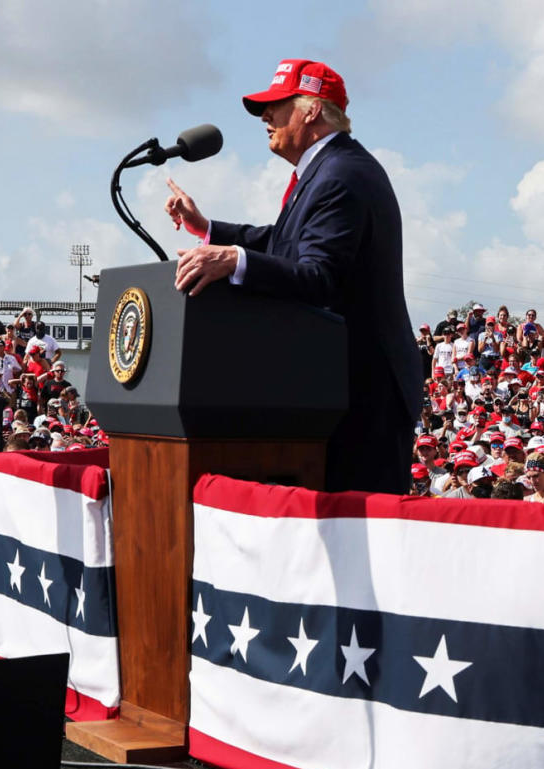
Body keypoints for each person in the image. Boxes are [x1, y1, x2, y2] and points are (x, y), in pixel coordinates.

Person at [167, 59, 422, 494]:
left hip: (362, 399)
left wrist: (234, 260)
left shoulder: (341, 175)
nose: (266, 118)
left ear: (311, 110)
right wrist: (209, 230)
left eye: (277, 106)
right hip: (341, 392)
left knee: (360, 541)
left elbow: (318, 274)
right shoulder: (328, 171)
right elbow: (284, 240)